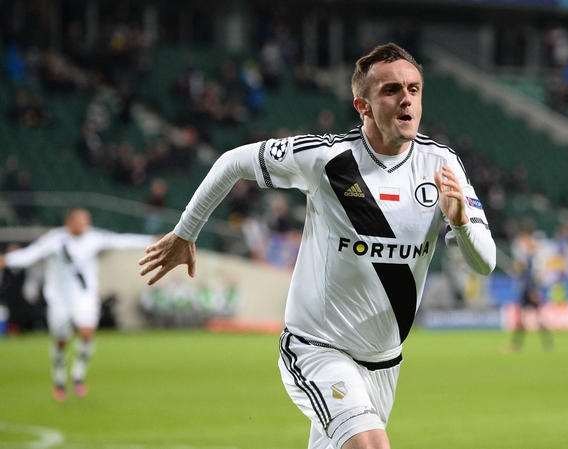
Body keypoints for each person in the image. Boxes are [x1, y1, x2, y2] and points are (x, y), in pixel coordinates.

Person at [138, 43, 496, 449]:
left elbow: (485, 262)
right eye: (391, 90)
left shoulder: (441, 164)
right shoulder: (327, 158)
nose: (406, 99)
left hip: (384, 362)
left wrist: (460, 222)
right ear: (362, 106)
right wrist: (186, 232)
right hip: (317, 348)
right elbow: (233, 162)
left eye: (414, 89)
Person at [0, 208, 156, 401]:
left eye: (87, 221)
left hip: (84, 297)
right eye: (82, 221)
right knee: (61, 340)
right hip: (59, 299)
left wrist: (151, 239)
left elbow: (121, 241)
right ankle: (59, 378)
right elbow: (32, 254)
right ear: (70, 222)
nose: (86, 224)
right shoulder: (55, 239)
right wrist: (7, 260)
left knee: (86, 332)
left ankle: (78, 375)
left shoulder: (93, 238)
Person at [506, 219, 552, 353]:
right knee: (528, 318)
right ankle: (544, 342)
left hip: (529, 288)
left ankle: (543, 342)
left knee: (531, 318)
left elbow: (528, 271)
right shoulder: (531, 250)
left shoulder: (529, 252)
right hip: (528, 287)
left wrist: (533, 288)